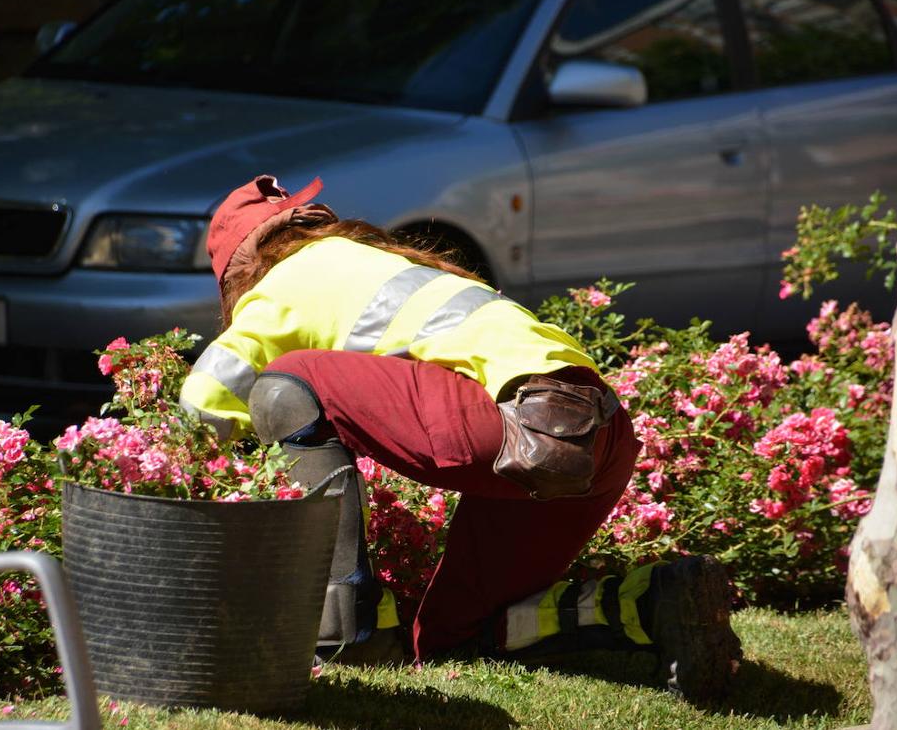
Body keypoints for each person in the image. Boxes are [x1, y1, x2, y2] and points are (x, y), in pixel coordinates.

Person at [178, 174, 741, 701]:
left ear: (241, 268)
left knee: (290, 383)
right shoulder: (376, 260)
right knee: (451, 636)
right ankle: (655, 602)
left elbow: (205, 401)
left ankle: (348, 629)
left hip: (514, 425)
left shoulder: (282, 283)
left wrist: (199, 469)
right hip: (595, 437)